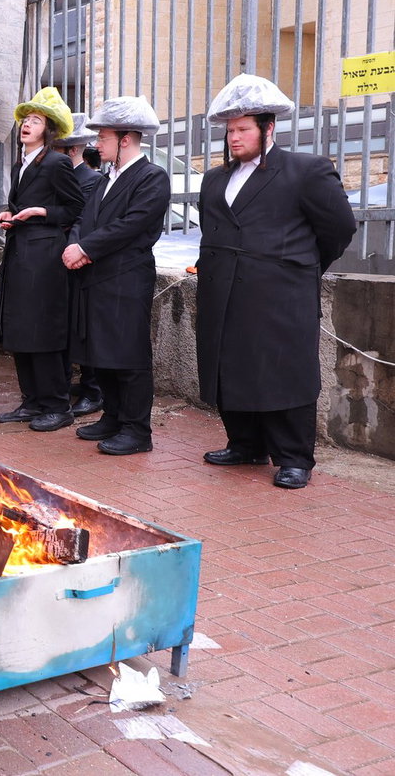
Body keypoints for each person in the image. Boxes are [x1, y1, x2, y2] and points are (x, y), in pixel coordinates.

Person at [196, 74, 356, 489]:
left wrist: (299, 267)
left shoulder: (306, 170)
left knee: (283, 370)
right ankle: (245, 443)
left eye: (243, 129)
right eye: (230, 130)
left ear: (268, 128)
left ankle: (294, 457)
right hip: (223, 291)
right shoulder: (215, 178)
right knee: (231, 366)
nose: (234, 138)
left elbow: (339, 228)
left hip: (281, 293)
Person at [61, 98, 171, 454]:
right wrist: (73, 243)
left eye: (103, 137)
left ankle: (137, 430)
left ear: (125, 139)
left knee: (128, 355)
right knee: (101, 352)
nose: (97, 144)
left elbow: (131, 225)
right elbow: (84, 218)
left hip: (126, 278)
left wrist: (85, 248)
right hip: (96, 277)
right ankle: (113, 415)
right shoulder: (107, 178)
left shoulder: (151, 177)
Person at [0, 88, 85, 432]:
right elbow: (20, 206)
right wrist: (10, 216)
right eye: (25, 120)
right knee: (20, 330)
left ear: (48, 130)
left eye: (35, 120)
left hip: (45, 260)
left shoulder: (57, 162)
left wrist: (42, 212)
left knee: (43, 331)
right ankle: (32, 401)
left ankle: (57, 406)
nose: (27, 125)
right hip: (20, 255)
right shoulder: (21, 164)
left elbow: (76, 208)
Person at [54, 114, 104, 416]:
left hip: (81, 260)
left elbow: (81, 221)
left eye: (56, 148)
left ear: (73, 150)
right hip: (58, 260)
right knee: (67, 327)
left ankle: (93, 389)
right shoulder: (60, 175)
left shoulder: (91, 180)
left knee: (86, 328)